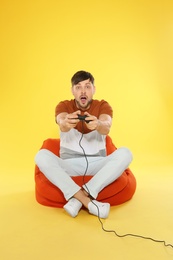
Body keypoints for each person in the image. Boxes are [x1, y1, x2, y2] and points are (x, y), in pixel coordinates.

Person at [35, 70, 133, 218]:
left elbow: (107, 125)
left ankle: (79, 199)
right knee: (41, 156)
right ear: (72, 91)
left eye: (87, 86)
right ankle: (88, 203)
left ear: (93, 89)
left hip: (97, 163)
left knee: (126, 153)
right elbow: (61, 121)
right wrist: (66, 122)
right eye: (78, 87)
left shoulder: (102, 105)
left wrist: (98, 124)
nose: (83, 91)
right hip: (69, 164)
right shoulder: (63, 106)